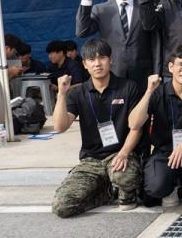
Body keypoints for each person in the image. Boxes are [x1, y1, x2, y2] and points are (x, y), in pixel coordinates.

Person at [51, 39, 142, 218]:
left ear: (111, 60)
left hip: (121, 154)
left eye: (102, 58)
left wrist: (124, 153)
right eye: (91, 59)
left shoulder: (128, 87)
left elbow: (136, 128)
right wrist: (61, 94)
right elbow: (60, 127)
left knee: (124, 178)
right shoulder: (78, 93)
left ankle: (125, 192)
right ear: (84, 64)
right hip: (91, 160)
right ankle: (108, 192)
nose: (97, 63)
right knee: (62, 206)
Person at [128, 45, 182, 217]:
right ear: (171, 67)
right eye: (181, 64)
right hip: (165, 154)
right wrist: (149, 91)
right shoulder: (157, 93)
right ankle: (173, 186)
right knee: (155, 188)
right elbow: (134, 123)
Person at [77, 0, 156, 91]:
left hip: (142, 74)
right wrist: (87, 1)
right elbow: (82, 31)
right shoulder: (101, 9)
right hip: (113, 73)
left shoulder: (145, 6)